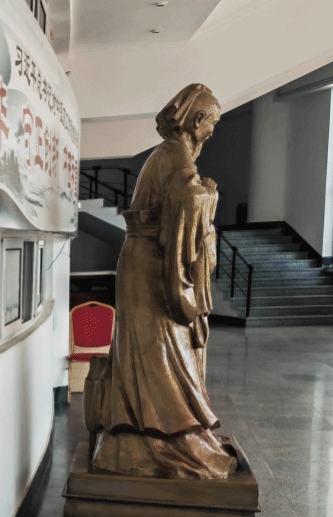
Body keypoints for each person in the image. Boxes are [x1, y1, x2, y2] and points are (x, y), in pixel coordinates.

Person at [90, 84, 238, 479]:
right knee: (159, 353)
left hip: (144, 259)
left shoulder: (168, 153)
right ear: (197, 119)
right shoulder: (175, 153)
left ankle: (142, 435)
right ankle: (168, 439)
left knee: (156, 351)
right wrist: (209, 194)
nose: (211, 133)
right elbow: (188, 200)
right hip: (152, 267)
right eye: (211, 124)